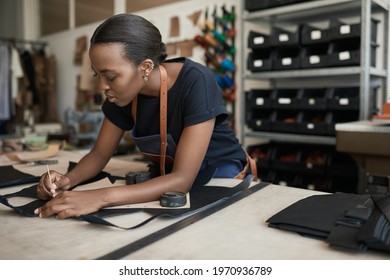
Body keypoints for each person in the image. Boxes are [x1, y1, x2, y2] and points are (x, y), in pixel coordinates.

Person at [35, 13, 256, 219]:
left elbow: (182, 180)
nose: (102, 86)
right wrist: (67, 180)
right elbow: (99, 154)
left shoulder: (197, 82)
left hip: (221, 180)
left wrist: (100, 197)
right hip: (169, 183)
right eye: (97, 74)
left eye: (110, 77)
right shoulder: (123, 93)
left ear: (146, 67)